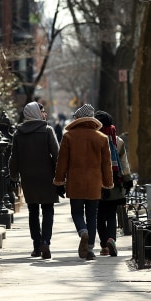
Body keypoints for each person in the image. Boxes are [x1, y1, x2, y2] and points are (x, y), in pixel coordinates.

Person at [53, 104, 113, 260]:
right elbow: (106, 164)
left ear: (78, 119)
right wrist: (107, 184)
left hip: (75, 183)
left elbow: (62, 162)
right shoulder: (102, 138)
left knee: (77, 212)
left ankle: (82, 231)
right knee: (92, 216)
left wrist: (59, 181)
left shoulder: (69, 137)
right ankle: (90, 249)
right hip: (94, 184)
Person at [9, 101, 61, 259]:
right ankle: (45, 241)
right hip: (47, 177)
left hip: (28, 178)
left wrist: (13, 176)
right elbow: (57, 155)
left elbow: (14, 158)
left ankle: (36, 246)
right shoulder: (47, 130)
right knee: (48, 210)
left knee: (33, 211)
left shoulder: (18, 133)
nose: (44, 114)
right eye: (42, 111)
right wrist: (60, 177)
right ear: (36, 113)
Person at [94, 110, 133, 257]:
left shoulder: (94, 140)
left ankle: (104, 245)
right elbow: (124, 163)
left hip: (97, 185)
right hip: (114, 184)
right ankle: (112, 239)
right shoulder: (118, 141)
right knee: (111, 215)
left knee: (99, 216)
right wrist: (128, 181)